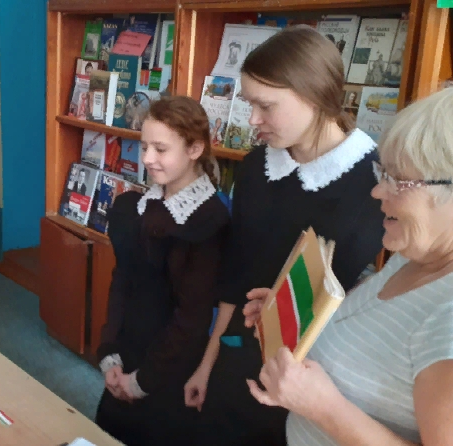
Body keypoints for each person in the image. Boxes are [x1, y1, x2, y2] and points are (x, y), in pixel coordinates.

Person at [185, 26, 385, 445]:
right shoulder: (256, 167)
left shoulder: (376, 184)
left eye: (266, 106)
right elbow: (235, 275)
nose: (252, 120)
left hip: (315, 386)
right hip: (238, 359)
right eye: (249, 104)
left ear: (314, 95)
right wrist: (208, 363)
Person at [245, 87, 453, 446]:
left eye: (399, 181)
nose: (377, 192)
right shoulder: (415, 256)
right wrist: (293, 313)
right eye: (383, 173)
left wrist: (323, 408)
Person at [94, 96, 230, 445]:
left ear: (195, 149)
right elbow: (122, 280)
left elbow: (191, 319)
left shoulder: (208, 223)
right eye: (144, 147)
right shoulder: (140, 207)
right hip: (128, 352)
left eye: (160, 149)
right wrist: (110, 351)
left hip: (168, 367)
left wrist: (142, 381)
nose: (147, 159)